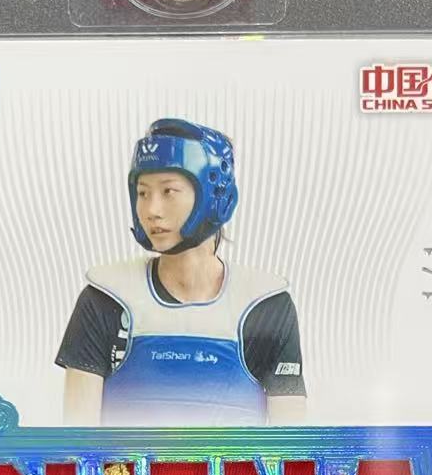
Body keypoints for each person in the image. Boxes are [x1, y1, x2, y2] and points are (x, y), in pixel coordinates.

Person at [56, 118, 306, 426]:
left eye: (169, 191)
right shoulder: (106, 299)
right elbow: (78, 440)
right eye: (143, 193)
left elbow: (290, 442)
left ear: (216, 197)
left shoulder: (265, 305)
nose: (151, 210)